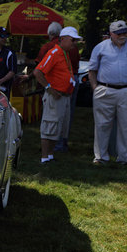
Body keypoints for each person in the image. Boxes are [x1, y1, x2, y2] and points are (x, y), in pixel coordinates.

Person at [32, 26, 82, 164]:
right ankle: (44, 157)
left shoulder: (64, 53)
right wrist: (50, 89)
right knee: (49, 126)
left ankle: (50, 156)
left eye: (76, 41)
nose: (74, 43)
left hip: (64, 96)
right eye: (73, 40)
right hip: (55, 96)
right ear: (63, 39)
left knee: (59, 127)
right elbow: (38, 72)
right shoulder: (54, 53)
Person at [88, 20, 127, 165]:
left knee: (125, 125)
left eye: (124, 32)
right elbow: (92, 70)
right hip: (105, 90)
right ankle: (100, 157)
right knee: (102, 125)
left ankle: (124, 158)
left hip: (125, 90)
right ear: (111, 34)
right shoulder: (100, 47)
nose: (122, 35)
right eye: (119, 33)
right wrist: (95, 88)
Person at [0, 27, 17, 95]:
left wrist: (0, 81)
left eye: (6, 36)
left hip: (3, 91)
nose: (5, 38)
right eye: (2, 36)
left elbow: (12, 71)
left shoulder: (9, 52)